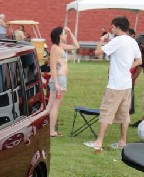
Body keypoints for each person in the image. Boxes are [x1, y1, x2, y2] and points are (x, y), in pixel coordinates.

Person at [84, 17, 142, 152]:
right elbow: (139, 60)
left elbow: (98, 53)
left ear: (117, 27)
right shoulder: (132, 41)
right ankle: (122, 141)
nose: (111, 29)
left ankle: (98, 142)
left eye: (112, 27)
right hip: (127, 84)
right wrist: (128, 68)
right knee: (124, 114)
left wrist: (101, 40)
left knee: (106, 112)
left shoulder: (117, 41)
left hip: (115, 84)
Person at [48, 26, 79, 137]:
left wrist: (70, 33)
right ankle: (51, 131)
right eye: (64, 33)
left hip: (61, 79)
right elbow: (52, 67)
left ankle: (48, 129)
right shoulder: (55, 48)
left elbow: (76, 46)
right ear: (59, 36)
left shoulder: (61, 46)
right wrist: (56, 83)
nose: (66, 35)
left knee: (51, 105)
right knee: (54, 105)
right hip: (59, 79)